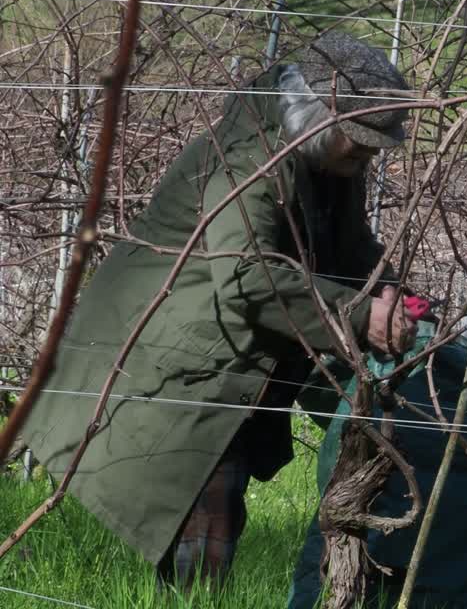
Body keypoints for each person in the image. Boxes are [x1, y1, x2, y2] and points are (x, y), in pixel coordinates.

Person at [24, 32, 416, 590]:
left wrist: (389, 290)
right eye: (358, 141)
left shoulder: (326, 161)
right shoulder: (248, 163)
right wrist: (359, 316)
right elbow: (247, 279)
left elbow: (353, 249)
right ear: (317, 114)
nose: (367, 154)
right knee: (202, 541)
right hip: (179, 366)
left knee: (211, 530)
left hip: (229, 359)